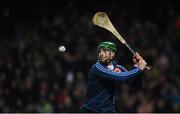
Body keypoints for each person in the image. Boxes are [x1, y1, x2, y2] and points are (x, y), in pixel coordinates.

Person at [79, 41, 147, 113]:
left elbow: (138, 85)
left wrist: (137, 67)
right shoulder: (97, 67)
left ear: (112, 54)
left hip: (109, 111)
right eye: (99, 51)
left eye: (105, 51)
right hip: (91, 110)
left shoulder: (119, 68)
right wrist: (139, 68)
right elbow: (121, 77)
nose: (101, 54)